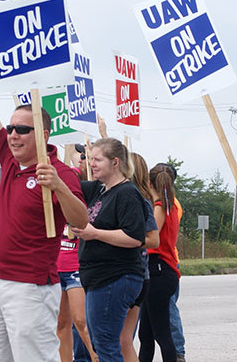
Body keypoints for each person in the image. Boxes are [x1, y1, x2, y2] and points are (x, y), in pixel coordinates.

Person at [0, 33, 89, 362]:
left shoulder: (60, 172)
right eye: (11, 128)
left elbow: (80, 221)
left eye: (22, 129)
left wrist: (58, 187)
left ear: (43, 133)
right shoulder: (10, 161)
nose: (12, 134)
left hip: (32, 288)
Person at [72, 138, 146, 362]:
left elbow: (135, 237)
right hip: (98, 279)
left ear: (115, 162)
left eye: (97, 159)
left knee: (105, 344)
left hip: (114, 278)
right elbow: (70, 185)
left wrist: (94, 233)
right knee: (100, 342)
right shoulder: (99, 189)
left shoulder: (127, 193)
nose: (91, 164)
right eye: (89, 158)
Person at [119, 153, 160, 362]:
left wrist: (119, 238)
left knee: (120, 340)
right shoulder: (138, 197)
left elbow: (154, 239)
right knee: (123, 340)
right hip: (137, 274)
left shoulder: (137, 199)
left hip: (130, 274)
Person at [138, 164, 180, 362]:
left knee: (161, 333)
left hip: (159, 270)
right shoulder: (169, 205)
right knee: (145, 334)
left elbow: (151, 238)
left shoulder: (160, 208)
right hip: (162, 270)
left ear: (149, 183)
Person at [57, 215, 99, 362]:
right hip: (56, 269)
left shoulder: (79, 208)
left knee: (81, 321)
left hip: (76, 270)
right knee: (61, 324)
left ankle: (95, 357)